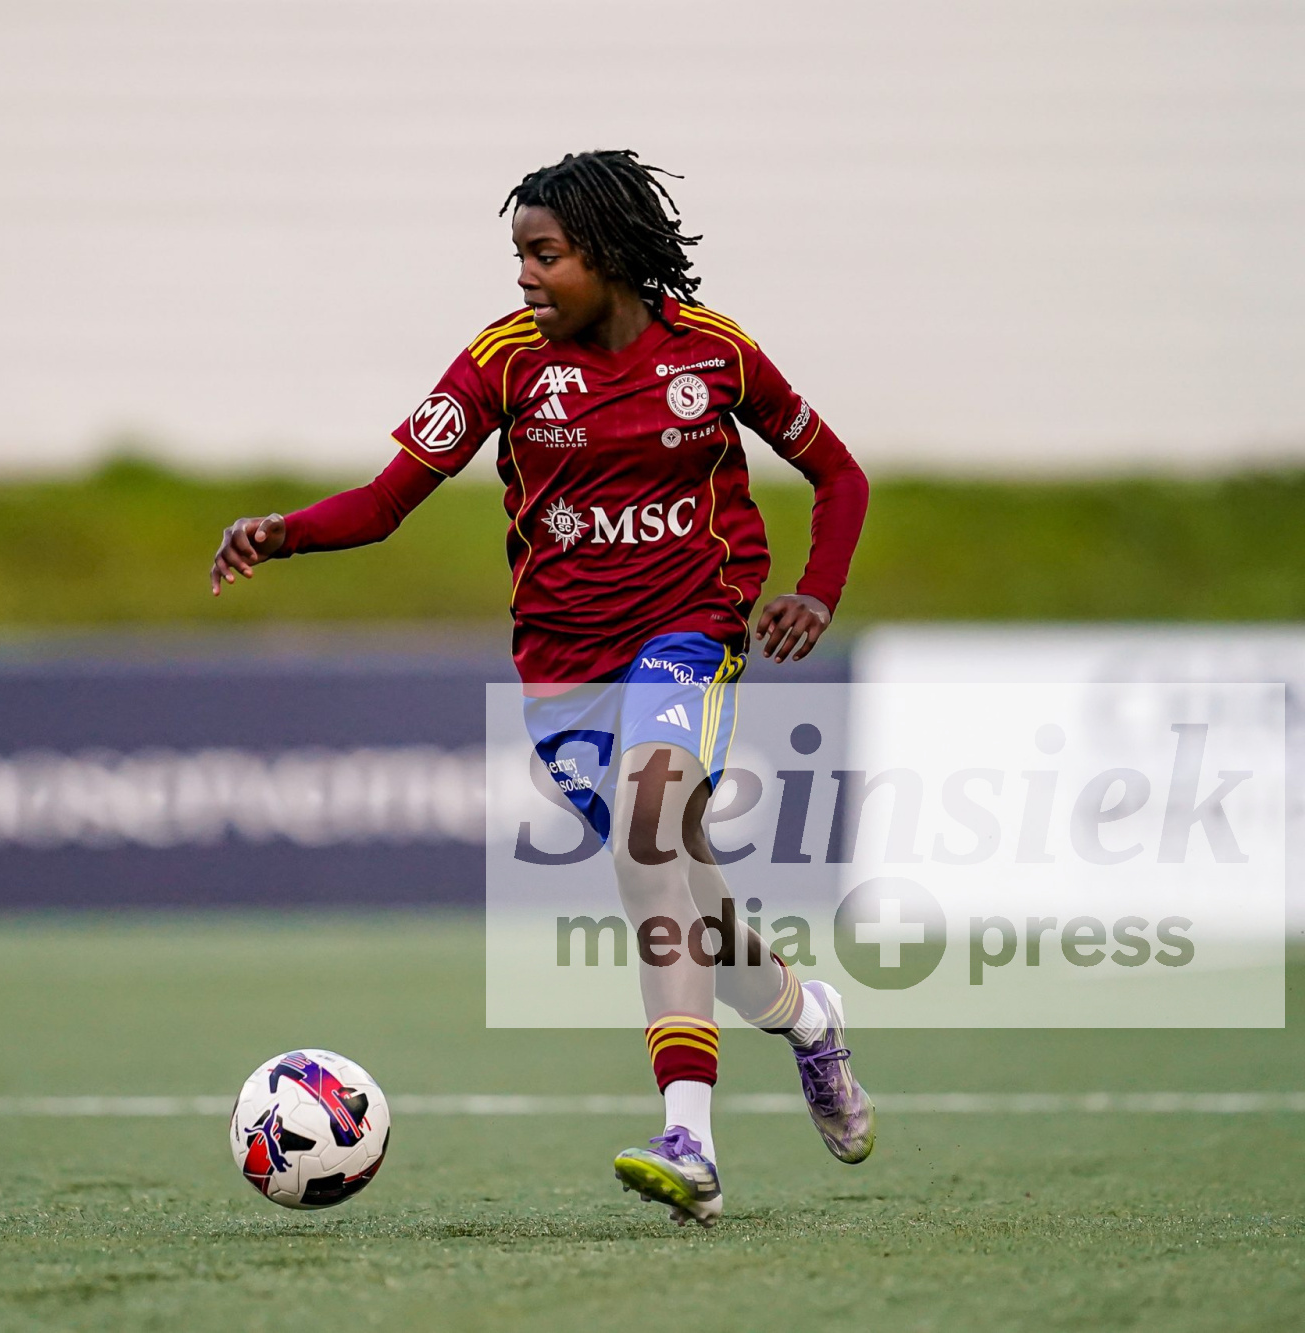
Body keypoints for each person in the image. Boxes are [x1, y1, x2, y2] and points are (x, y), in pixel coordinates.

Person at [209, 150, 872, 1226]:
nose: (524, 275)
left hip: (689, 636)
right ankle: (806, 1019)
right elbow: (385, 502)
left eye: (544, 254)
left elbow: (838, 473)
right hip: (563, 675)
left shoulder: (714, 354)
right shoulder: (504, 363)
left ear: (606, 253)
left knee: (648, 839)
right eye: (519, 253)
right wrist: (282, 533)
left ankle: (690, 1141)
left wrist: (816, 590)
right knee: (691, 900)